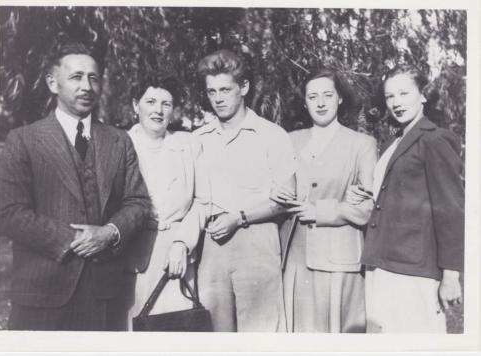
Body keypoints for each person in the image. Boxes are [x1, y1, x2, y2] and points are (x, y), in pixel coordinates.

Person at [0, 42, 150, 331]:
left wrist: (108, 233)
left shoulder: (119, 140)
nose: (87, 86)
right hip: (42, 294)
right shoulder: (23, 140)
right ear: (53, 83)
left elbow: (138, 203)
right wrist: (72, 239)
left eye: (93, 78)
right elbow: (7, 213)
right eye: (76, 77)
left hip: (105, 296)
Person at [347, 65, 464, 333]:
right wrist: (367, 195)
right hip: (382, 262)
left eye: (404, 93)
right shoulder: (392, 142)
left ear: (422, 95)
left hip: (413, 268)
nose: (396, 103)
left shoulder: (434, 140)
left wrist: (451, 275)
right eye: (390, 97)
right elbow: (398, 193)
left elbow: (451, 209)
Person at [193, 49, 296, 331]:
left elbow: (286, 199)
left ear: (244, 88)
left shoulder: (272, 135)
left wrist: (239, 217)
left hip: (257, 244)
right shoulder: (198, 139)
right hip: (212, 249)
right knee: (217, 336)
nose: (218, 98)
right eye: (212, 91)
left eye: (225, 89)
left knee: (261, 336)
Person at [270, 69, 377, 332]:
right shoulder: (291, 140)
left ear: (340, 99)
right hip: (295, 257)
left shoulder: (362, 144)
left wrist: (321, 211)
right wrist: (276, 192)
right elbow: (281, 189)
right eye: (312, 96)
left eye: (328, 95)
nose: (320, 103)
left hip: (339, 260)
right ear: (304, 101)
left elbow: (368, 207)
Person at [124, 72, 208, 328]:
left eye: (166, 104)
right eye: (150, 102)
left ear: (173, 110)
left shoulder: (188, 144)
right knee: (133, 330)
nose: (158, 110)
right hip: (132, 256)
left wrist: (182, 243)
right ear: (135, 106)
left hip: (177, 256)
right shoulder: (119, 144)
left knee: (176, 330)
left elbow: (202, 200)